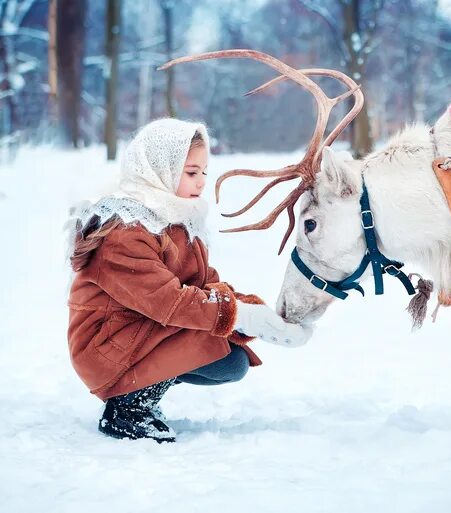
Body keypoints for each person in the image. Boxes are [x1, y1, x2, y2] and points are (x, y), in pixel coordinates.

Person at [66, 118, 310, 442]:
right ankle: (126, 408)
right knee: (208, 339)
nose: (201, 183)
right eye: (191, 173)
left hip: (138, 333)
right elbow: (168, 301)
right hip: (106, 346)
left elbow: (204, 285)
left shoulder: (178, 220)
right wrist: (238, 315)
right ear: (159, 169)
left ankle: (142, 395)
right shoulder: (125, 229)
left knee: (230, 360)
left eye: (204, 173)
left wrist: (260, 315)